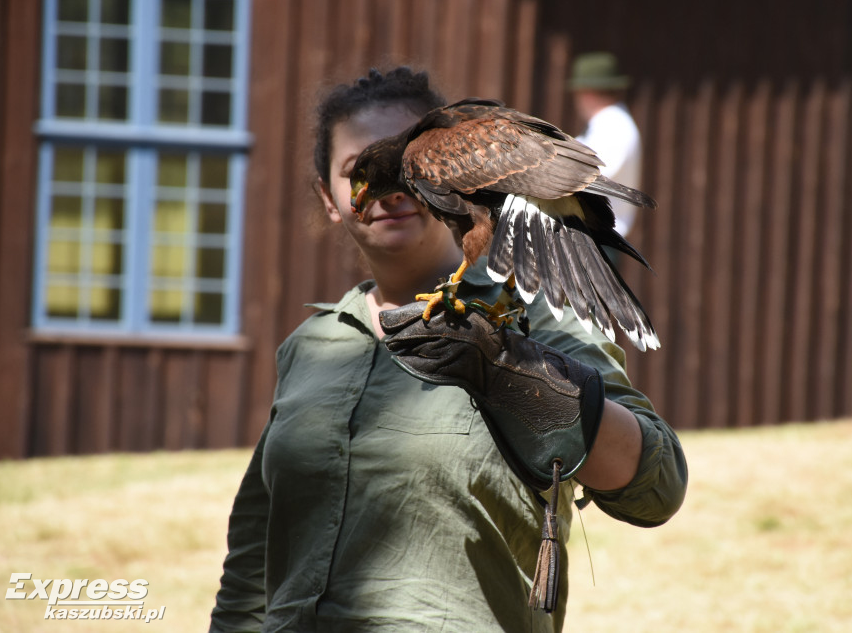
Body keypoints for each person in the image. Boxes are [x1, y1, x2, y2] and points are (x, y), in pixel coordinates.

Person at [209, 66, 687, 632]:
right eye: (351, 172)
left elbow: (657, 489)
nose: (388, 194)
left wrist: (517, 373)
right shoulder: (312, 346)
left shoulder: (531, 321)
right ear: (330, 197)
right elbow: (252, 565)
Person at [569, 52, 644, 239]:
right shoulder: (606, 126)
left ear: (587, 92)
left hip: (597, 238)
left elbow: (588, 177)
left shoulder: (614, 126)